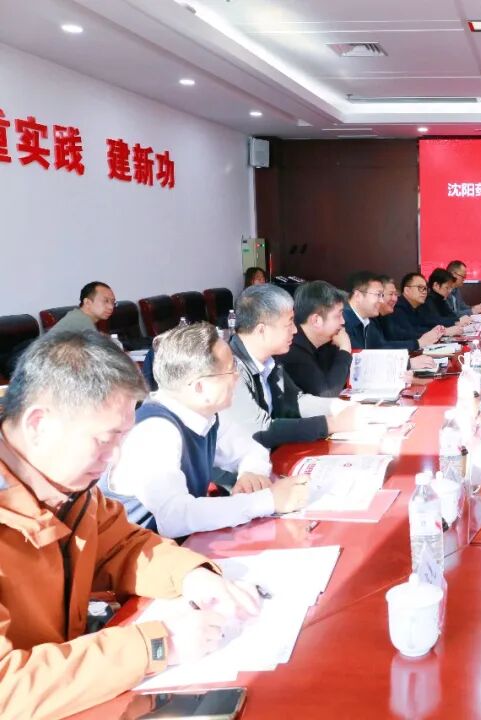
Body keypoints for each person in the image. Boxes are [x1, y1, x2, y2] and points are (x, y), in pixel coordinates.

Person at [0, 331, 261, 718]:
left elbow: (124, 546)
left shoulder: (69, 489)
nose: (115, 457)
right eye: (104, 439)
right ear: (39, 424)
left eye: (122, 438)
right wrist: (159, 644)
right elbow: (7, 688)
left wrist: (192, 575)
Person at [104, 323, 309, 538]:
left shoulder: (205, 416)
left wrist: (251, 473)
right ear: (200, 387)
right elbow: (175, 517)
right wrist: (267, 501)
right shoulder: (155, 431)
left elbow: (252, 450)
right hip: (138, 552)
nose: (237, 377)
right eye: (231, 370)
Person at [219, 284, 366, 450]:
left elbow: (295, 401)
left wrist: (339, 407)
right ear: (262, 330)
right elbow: (259, 429)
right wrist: (331, 424)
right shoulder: (230, 369)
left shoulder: (270, 361)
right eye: (289, 324)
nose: (295, 330)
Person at [277, 281, 352, 398]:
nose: (343, 321)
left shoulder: (325, 343)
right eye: (338, 316)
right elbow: (327, 394)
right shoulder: (291, 350)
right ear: (316, 320)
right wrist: (345, 349)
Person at [344, 271, 442, 352]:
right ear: (358, 296)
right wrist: (418, 345)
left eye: (382, 295)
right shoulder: (344, 322)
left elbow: (379, 348)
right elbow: (369, 355)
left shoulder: (366, 320)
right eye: (378, 295)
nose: (381, 300)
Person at [389, 272, 462, 341]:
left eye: (425, 289)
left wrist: (440, 331)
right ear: (407, 290)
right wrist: (443, 332)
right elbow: (410, 334)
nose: (424, 292)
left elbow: (424, 326)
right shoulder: (397, 307)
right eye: (420, 288)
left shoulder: (417, 307)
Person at [48, 281, 116, 334]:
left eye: (113, 302)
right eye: (105, 301)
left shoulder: (78, 316)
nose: (111, 307)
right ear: (87, 302)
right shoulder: (82, 323)